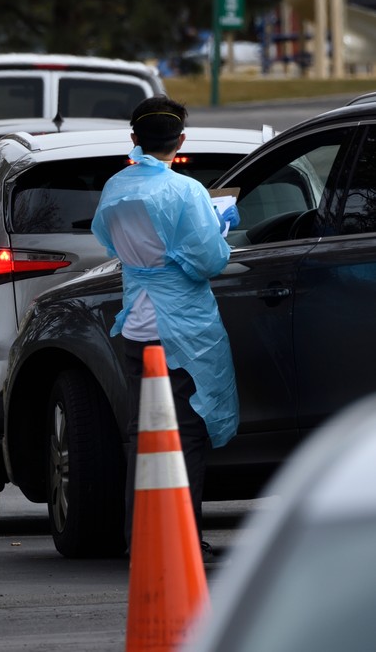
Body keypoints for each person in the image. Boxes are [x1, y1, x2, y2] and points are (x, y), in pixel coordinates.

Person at [90, 95, 240, 562]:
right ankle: (182, 536)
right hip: (183, 328)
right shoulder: (186, 191)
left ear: (134, 138)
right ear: (181, 140)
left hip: (137, 322)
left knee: (144, 432)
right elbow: (208, 262)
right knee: (187, 433)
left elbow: (108, 238)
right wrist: (218, 228)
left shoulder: (115, 187)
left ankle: (142, 535)